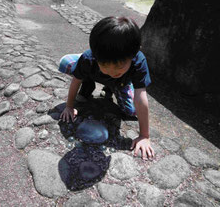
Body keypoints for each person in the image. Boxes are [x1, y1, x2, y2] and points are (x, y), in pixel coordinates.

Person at [58, 16, 154, 160]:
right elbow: (76, 81)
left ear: (133, 55)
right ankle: (87, 81)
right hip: (92, 70)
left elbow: (141, 97)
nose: (112, 71)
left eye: (119, 68)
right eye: (106, 66)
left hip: (121, 83)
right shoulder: (89, 58)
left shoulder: (138, 61)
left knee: (132, 110)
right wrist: (69, 106)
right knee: (67, 64)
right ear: (97, 56)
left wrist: (144, 136)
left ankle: (111, 88)